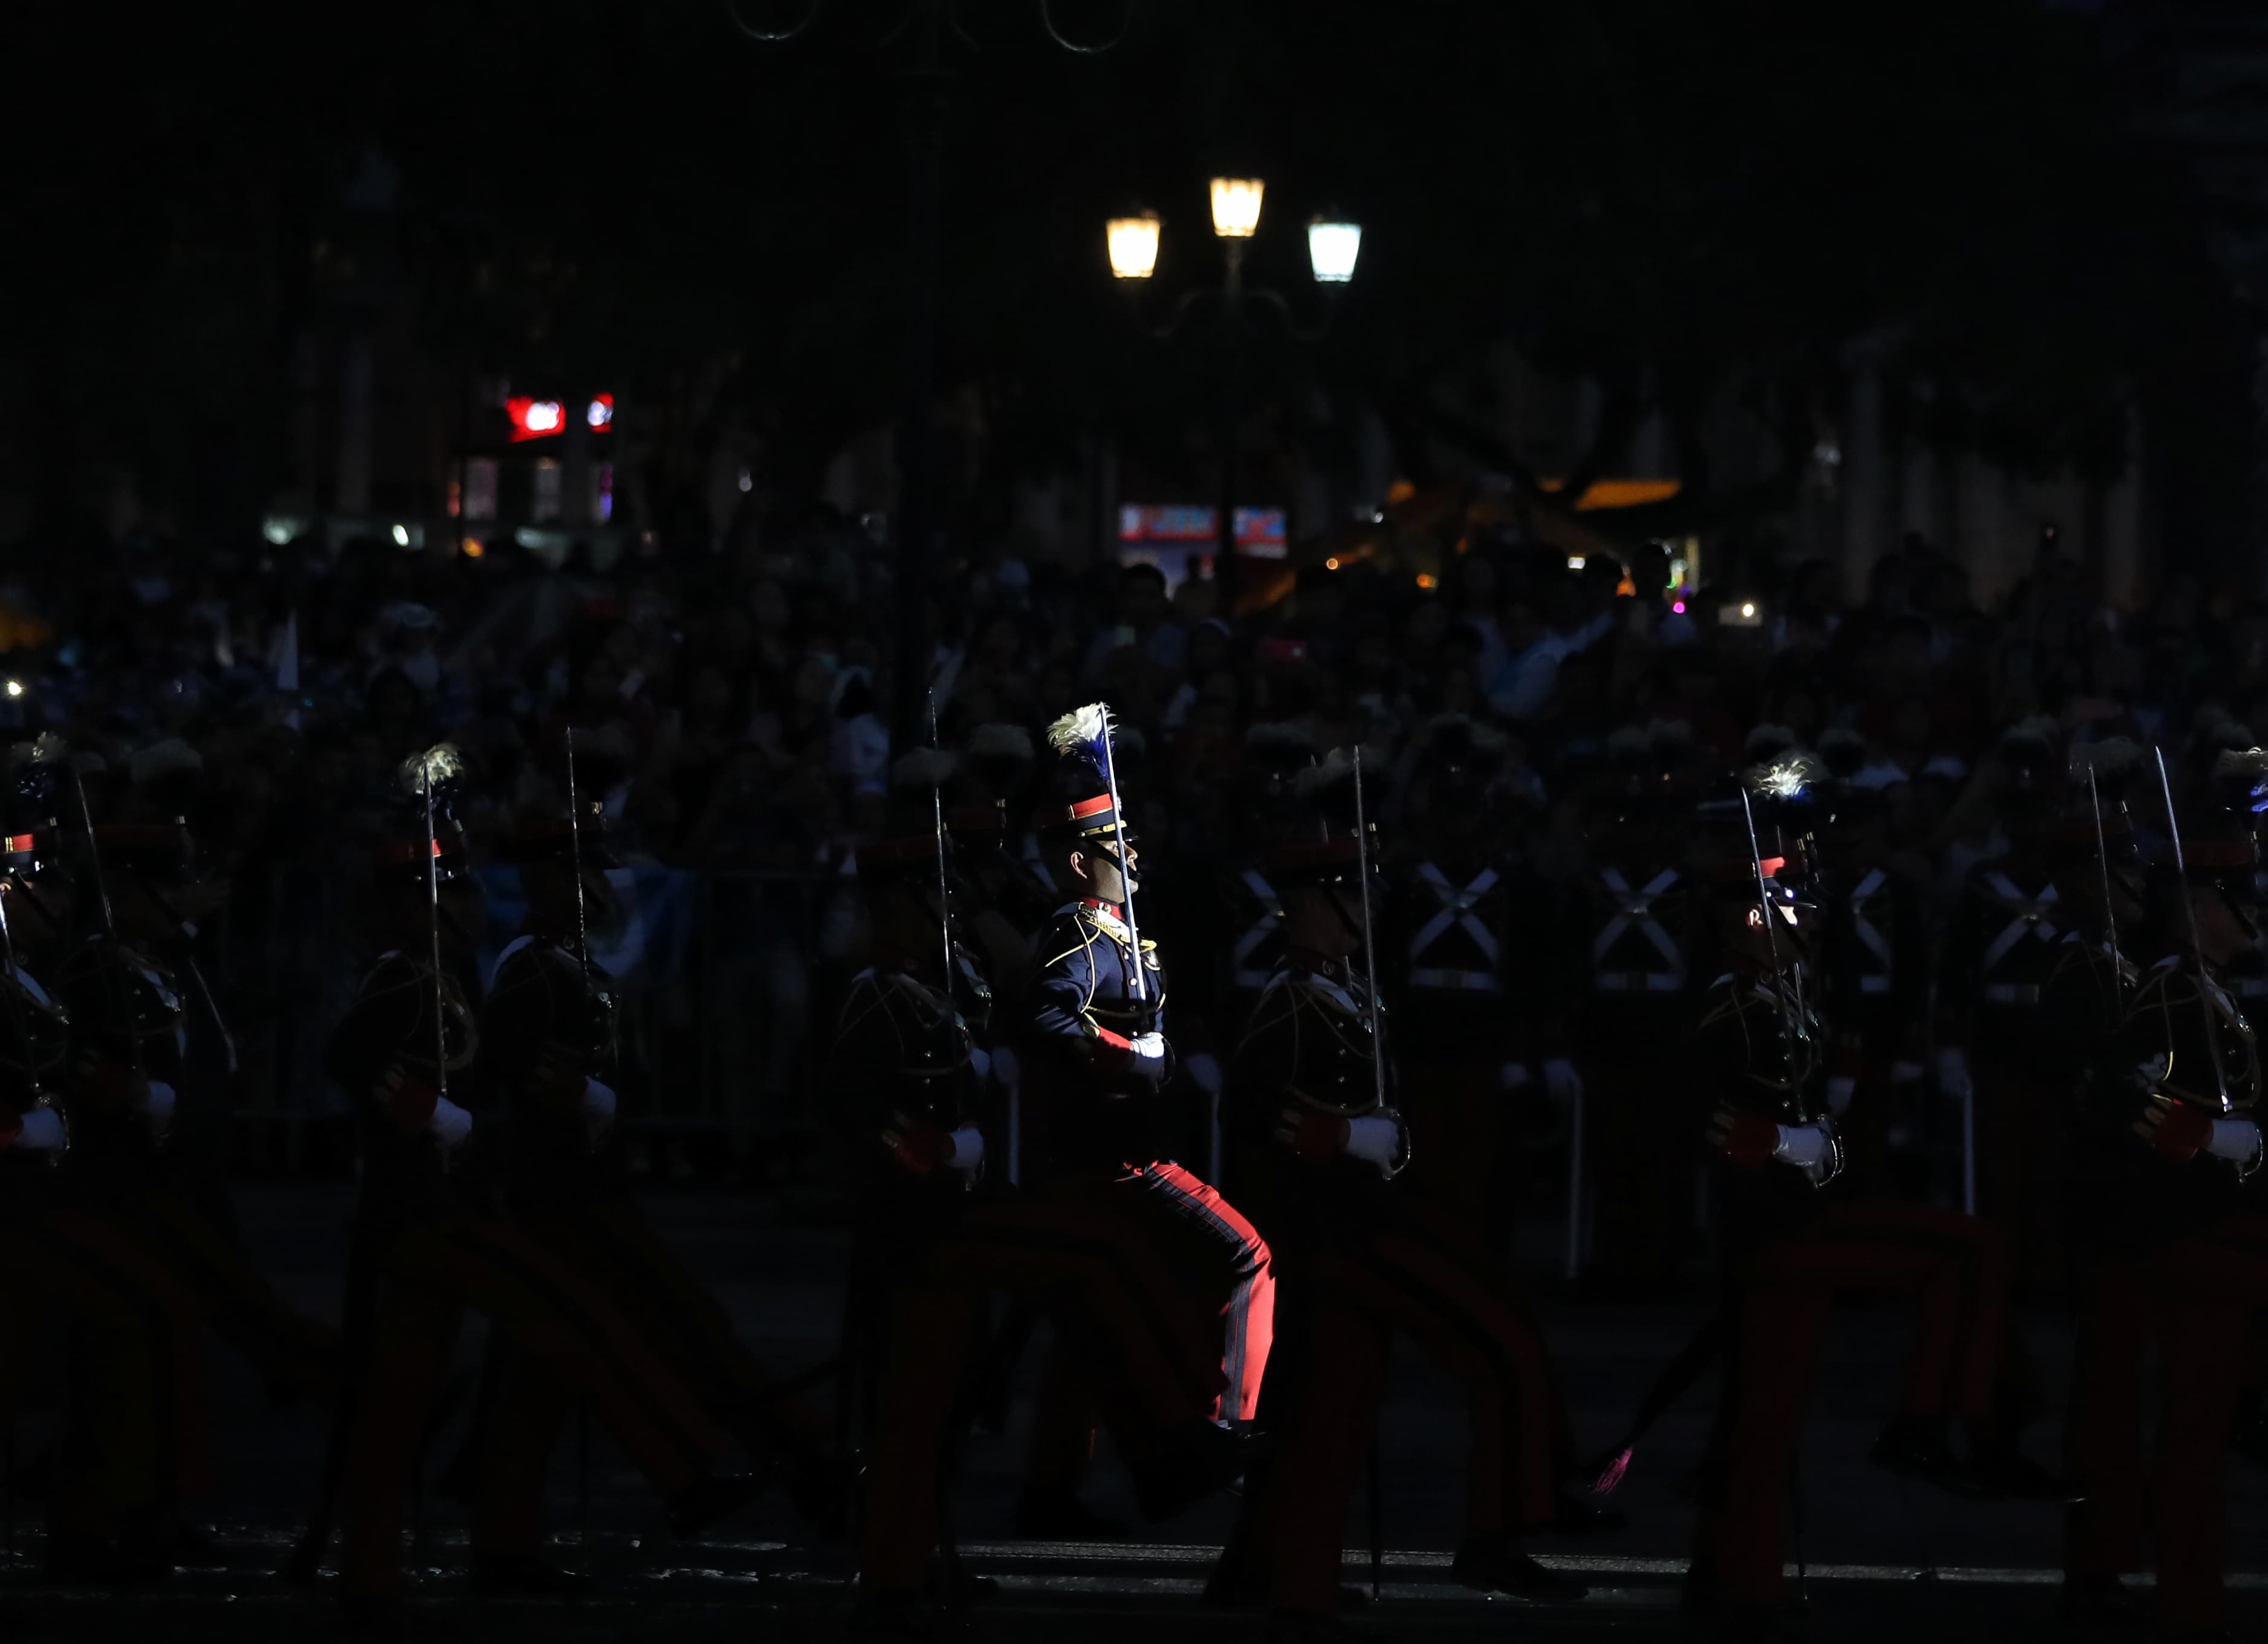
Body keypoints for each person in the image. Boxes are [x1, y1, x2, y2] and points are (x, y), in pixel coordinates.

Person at [315, 746, 749, 1610]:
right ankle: (680, 1473)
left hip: (448, 1207)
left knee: (412, 1391)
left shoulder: (449, 972)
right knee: (558, 1322)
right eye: (457, 893)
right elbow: (351, 1057)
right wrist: (430, 1114)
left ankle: (416, 1559)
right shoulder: (405, 975)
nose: (473, 906)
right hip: (424, 1214)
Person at [835, 782, 1250, 1617]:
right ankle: (1166, 1444)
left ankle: (920, 1560)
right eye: (932, 895)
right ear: (895, 906)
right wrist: (959, 1146)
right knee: (935, 1386)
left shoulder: (940, 981)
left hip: (960, 1212)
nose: (948, 906)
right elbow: (879, 1130)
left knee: (946, 1391)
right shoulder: (879, 995)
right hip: (920, 1226)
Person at [1216, 749, 1594, 1640]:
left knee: (1330, 1410)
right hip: (1334, 1234)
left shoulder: (1350, 995)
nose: (1371, 907)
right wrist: (1348, 1136)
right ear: (1314, 902)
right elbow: (1259, 1120)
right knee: (1496, 1338)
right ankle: (1498, 1527)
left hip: (1361, 1220)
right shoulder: (1290, 1003)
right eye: (1353, 893)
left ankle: (1283, 1573)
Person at [1682, 765, 2069, 1632]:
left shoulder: (1784, 1000)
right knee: (1963, 1253)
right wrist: (1790, 1139)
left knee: (1765, 1407)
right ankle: (1930, 1422)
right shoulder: (1732, 1006)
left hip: (1796, 1216)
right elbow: (1708, 1122)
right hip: (1773, 1230)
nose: (1800, 922)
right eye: (1780, 912)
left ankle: (1736, 1570)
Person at [468, 791, 832, 1586]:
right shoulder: (532, 963)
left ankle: (515, 1524)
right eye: (578, 870)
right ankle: (724, 1467)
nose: (595, 885)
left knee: (565, 1359)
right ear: (548, 877)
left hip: (585, 1187)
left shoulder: (566, 958)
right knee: (594, 1347)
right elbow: (502, 1057)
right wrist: (575, 1090)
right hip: (557, 1195)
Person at [1012, 704, 1275, 1431]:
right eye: (1115, 844)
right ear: (1077, 862)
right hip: (1117, 1155)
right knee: (1246, 1254)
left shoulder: (1117, 932)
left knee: (1093, 1316)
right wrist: (1132, 1056)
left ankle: (1057, 1484)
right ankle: (1228, 1422)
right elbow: (1045, 1017)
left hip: (1120, 1143)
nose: (1133, 855)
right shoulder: (1079, 931)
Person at [2061, 750, 2268, 1637]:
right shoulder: (2175, 990)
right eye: (2237, 898)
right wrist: (2208, 1135)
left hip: (2207, 1223)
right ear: (2196, 911)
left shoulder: (2212, 991)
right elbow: (2122, 1098)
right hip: (2184, 1230)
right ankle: (2187, 1595)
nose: (2253, 912)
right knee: (2189, 1423)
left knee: (2198, 1419)